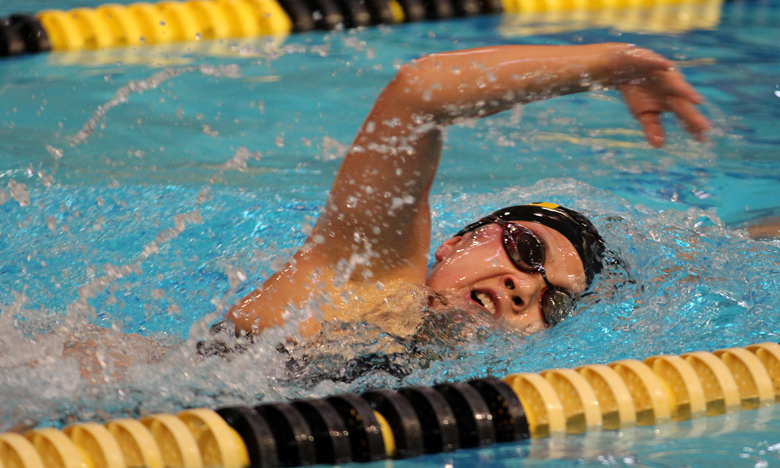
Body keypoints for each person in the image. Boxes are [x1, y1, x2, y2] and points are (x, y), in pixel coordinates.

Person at [221, 43, 712, 341]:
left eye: (554, 303)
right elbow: (418, 94)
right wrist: (608, 65)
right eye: (527, 249)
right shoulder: (363, 282)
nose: (528, 288)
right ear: (454, 243)